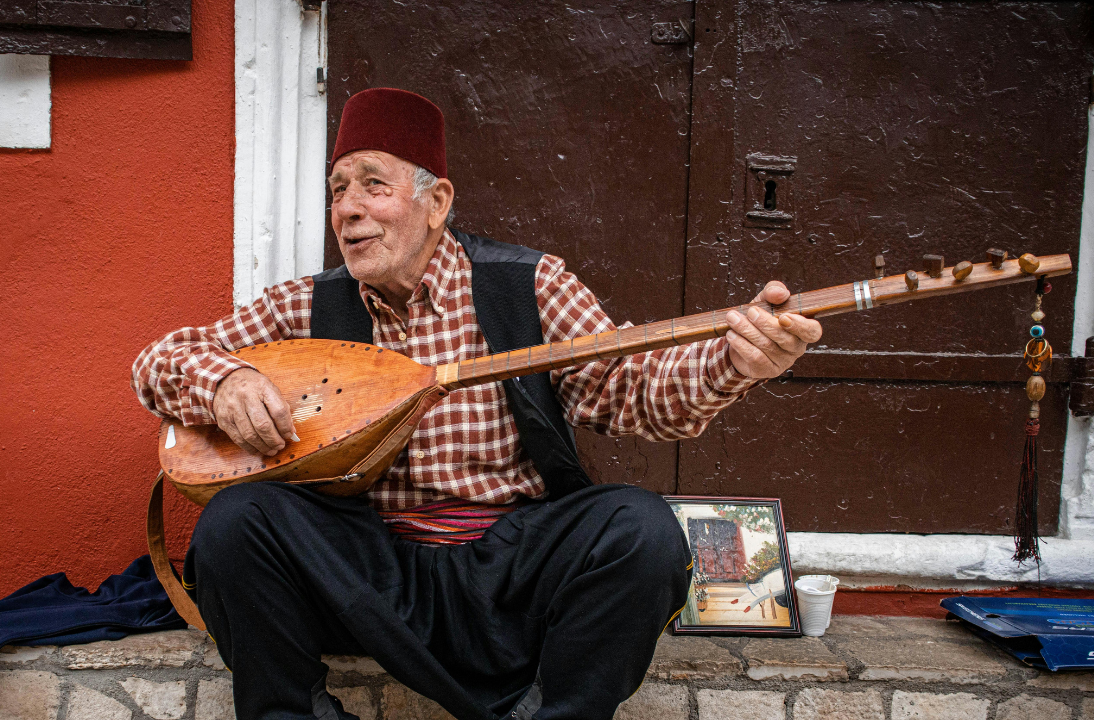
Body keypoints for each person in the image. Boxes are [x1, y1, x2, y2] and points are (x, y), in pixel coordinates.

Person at [131, 88, 822, 720]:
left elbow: (633, 392)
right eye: (338, 190)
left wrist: (735, 361)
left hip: (509, 573)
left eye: (374, 185)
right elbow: (158, 362)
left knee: (642, 531)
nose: (348, 208)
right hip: (364, 573)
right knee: (235, 525)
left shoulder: (529, 285)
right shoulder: (307, 306)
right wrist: (222, 384)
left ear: (436, 203)